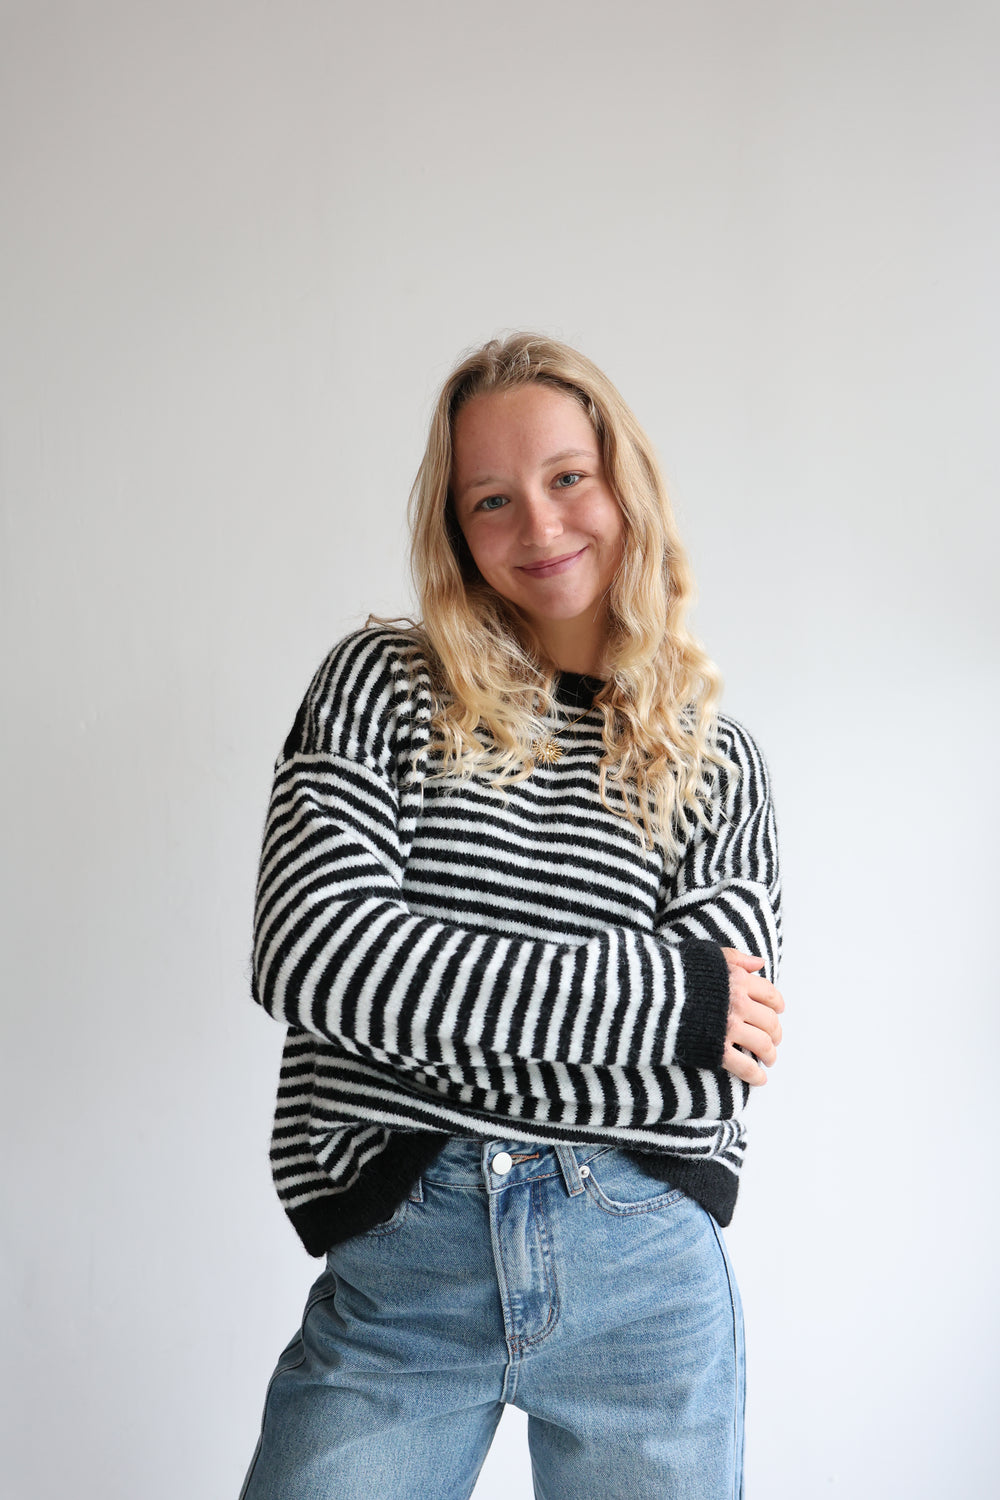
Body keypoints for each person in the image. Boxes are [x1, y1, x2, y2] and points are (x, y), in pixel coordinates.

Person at [239, 333, 784, 1500]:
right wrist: (663, 996)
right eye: (491, 498)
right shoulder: (379, 686)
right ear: (454, 529)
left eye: (567, 477)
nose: (538, 524)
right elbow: (311, 950)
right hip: (406, 1267)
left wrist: (423, 1004)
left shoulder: (714, 760)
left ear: (623, 484)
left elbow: (722, 1058)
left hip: (642, 1265)